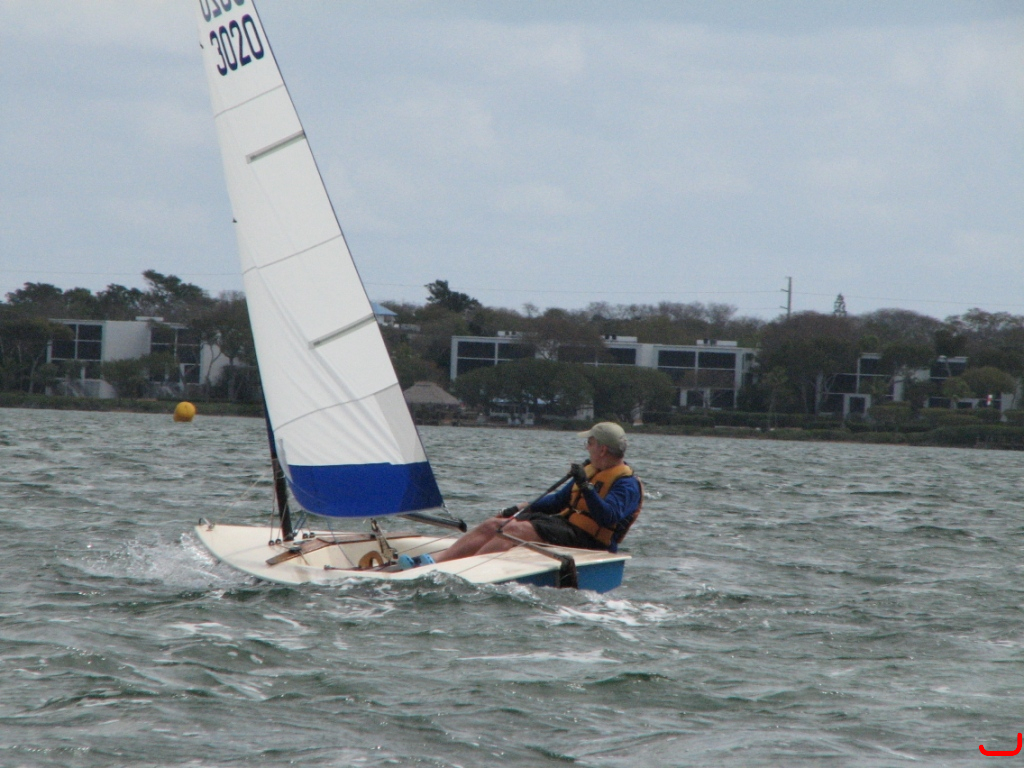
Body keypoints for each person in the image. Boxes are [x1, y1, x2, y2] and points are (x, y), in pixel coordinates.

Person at [414, 422, 642, 567]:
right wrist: (519, 508)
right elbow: (557, 501)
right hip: (567, 527)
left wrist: (586, 486)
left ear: (602, 449)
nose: (587, 448)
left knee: (515, 530)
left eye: (589, 443)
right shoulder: (592, 471)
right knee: (496, 524)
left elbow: (607, 517)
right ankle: (435, 562)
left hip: (591, 542)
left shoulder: (626, 484)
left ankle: (463, 569)